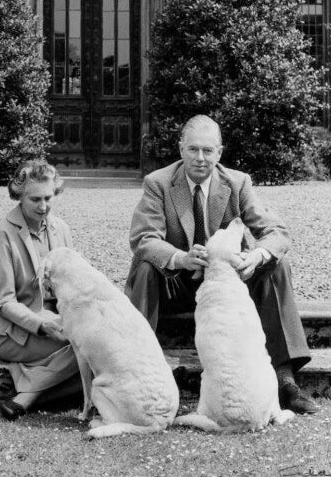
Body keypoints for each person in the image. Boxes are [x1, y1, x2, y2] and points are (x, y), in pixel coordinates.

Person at [124, 114, 319, 414]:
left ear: (220, 153)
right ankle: (134, 372)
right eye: (193, 150)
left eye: (208, 151)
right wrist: (181, 258)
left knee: (277, 266)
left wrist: (257, 256)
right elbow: (143, 238)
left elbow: (276, 232)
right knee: (145, 265)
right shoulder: (158, 183)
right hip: (178, 284)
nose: (200, 158)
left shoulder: (238, 182)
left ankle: (284, 379)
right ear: (180, 149)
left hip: (229, 287)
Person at [0, 160, 81, 420]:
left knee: (96, 342)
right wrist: (41, 325)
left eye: (48, 198)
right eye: (34, 199)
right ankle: (26, 393)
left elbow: (72, 283)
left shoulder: (62, 229)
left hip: (54, 318)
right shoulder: (2, 234)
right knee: (84, 347)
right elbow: (4, 303)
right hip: (13, 331)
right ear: (19, 195)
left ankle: (23, 393)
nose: (43, 206)